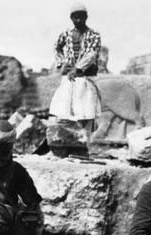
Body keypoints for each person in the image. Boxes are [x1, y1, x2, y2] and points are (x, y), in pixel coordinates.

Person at [49, 2, 101, 140]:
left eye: (81, 17)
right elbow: (56, 47)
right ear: (71, 18)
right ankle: (68, 141)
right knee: (65, 109)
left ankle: (86, 142)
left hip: (85, 77)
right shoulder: (66, 34)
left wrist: (77, 68)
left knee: (86, 110)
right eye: (75, 17)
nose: (78, 20)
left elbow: (92, 54)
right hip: (69, 78)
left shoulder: (94, 35)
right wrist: (62, 63)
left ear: (86, 17)